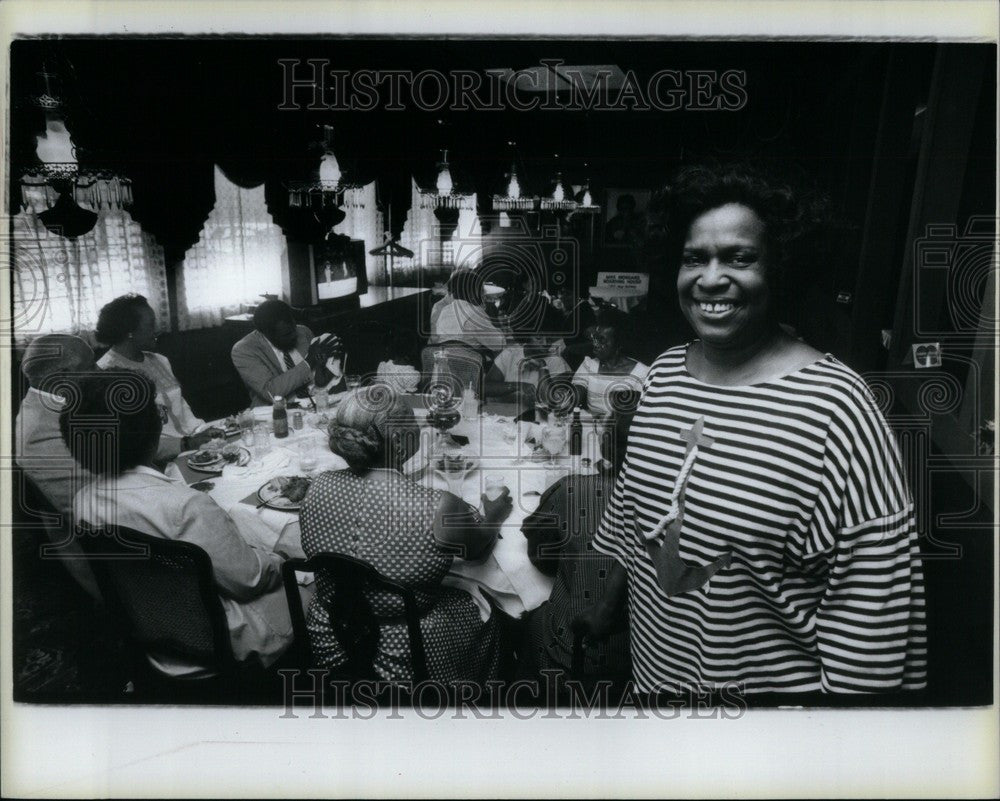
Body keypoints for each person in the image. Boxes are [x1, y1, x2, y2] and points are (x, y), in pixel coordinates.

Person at [575, 163, 927, 696]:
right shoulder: (666, 372)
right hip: (656, 701)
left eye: (740, 258)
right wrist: (607, 608)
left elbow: (871, 619)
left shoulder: (836, 408)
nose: (711, 279)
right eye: (695, 258)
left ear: (780, 267)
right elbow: (637, 519)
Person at [61, 369, 293, 675]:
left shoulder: (84, 501)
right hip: (224, 641)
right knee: (316, 580)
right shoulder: (185, 505)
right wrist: (279, 557)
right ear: (148, 429)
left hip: (153, 631)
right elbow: (249, 581)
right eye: (157, 412)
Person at [299, 386, 513, 683]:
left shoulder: (317, 486)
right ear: (399, 441)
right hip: (410, 651)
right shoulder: (436, 505)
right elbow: (478, 551)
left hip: (331, 635)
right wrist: (495, 516)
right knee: (496, 611)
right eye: (414, 423)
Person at [519, 412, 633, 688]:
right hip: (644, 664)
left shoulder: (572, 489)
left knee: (519, 618)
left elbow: (540, 557)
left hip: (573, 651)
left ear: (605, 445)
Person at [14, 334, 101, 599]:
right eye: (91, 365)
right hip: (108, 556)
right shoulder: (37, 434)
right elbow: (98, 508)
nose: (100, 371)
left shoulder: (61, 399)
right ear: (65, 376)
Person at [95, 294, 222, 458]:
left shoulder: (160, 360)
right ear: (129, 332)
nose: (157, 329)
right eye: (151, 324)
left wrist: (203, 432)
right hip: (158, 460)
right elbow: (130, 442)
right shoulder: (105, 373)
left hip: (194, 445)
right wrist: (187, 444)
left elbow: (182, 409)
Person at [231, 299, 344, 407]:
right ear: (265, 333)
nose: (294, 335)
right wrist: (309, 361)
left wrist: (330, 359)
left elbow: (321, 375)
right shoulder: (244, 350)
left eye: (293, 328)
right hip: (276, 412)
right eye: (286, 335)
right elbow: (271, 392)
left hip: (314, 403)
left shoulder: (303, 331)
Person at [571, 308, 648, 417]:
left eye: (602, 340)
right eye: (595, 338)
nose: (595, 344)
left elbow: (640, 416)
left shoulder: (641, 373)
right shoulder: (589, 364)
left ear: (619, 344)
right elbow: (573, 399)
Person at [430, 268, 506, 356]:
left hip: (446, 362)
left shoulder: (445, 310)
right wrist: (499, 329)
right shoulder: (475, 313)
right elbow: (498, 345)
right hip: (470, 365)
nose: (483, 296)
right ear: (473, 293)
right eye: (481, 291)